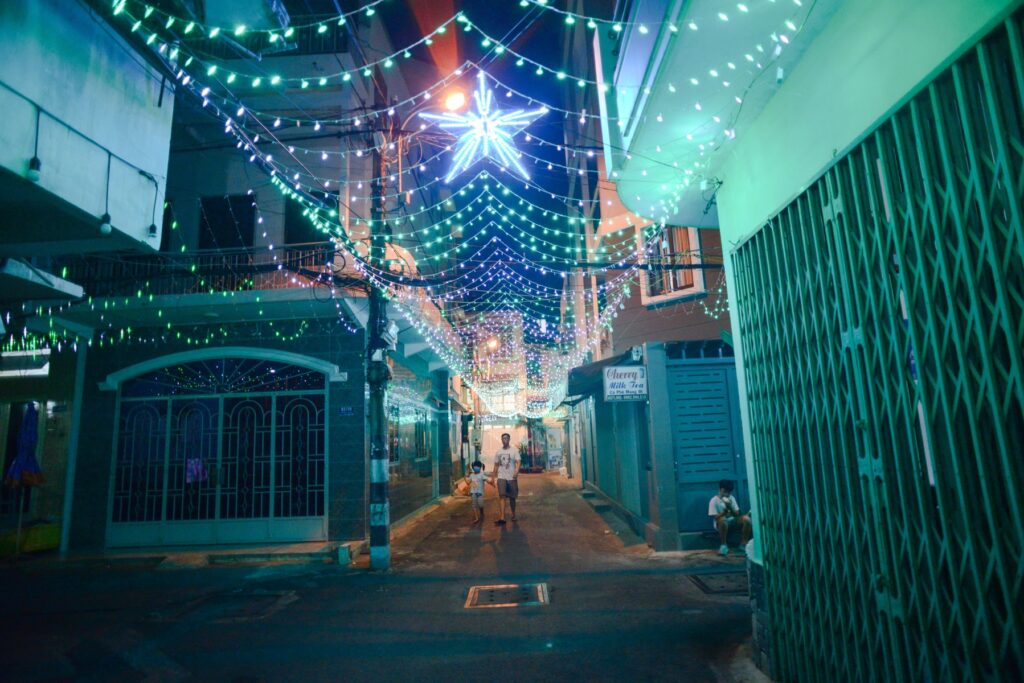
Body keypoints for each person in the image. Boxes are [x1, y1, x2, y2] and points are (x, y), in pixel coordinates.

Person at [709, 479, 750, 555]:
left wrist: (730, 508)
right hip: (721, 523)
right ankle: (723, 546)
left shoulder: (731, 498)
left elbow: (737, 514)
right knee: (722, 520)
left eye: (729, 492)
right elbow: (715, 517)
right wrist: (724, 512)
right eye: (726, 492)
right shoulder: (714, 500)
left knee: (746, 519)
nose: (727, 494)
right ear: (721, 490)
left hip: (732, 521)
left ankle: (743, 544)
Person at [491, 432, 520, 525]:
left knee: (512, 498)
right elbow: (496, 465)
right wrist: (493, 477)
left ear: (509, 440)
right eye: (503, 438)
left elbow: (518, 461)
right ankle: (502, 517)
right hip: (501, 477)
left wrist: (516, 471)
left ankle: (513, 514)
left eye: (507, 438)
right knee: (502, 496)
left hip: (511, 477)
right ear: (501, 440)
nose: (505, 440)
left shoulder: (514, 451)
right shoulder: (498, 452)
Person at [465, 460, 493, 525]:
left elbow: (487, 481)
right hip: (473, 493)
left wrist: (492, 483)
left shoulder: (482, 475)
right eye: (475, 466)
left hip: (480, 493)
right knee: (474, 505)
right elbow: (468, 483)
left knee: (480, 504)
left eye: (478, 466)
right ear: (473, 467)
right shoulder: (471, 475)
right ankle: (476, 518)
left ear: (480, 467)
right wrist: (465, 477)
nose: (476, 467)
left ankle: (481, 511)